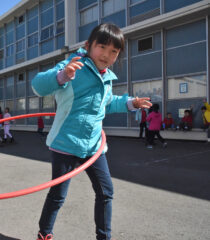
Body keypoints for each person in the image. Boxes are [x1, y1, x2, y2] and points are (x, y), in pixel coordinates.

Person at [31, 23, 152, 240]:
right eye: (102, 47)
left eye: (113, 51)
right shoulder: (73, 64)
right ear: (88, 45)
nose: (106, 55)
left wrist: (131, 102)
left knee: (106, 192)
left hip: (94, 146)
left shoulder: (106, 77)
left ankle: (103, 237)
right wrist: (62, 76)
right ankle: (44, 234)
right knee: (58, 195)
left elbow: (108, 103)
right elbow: (38, 85)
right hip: (66, 143)